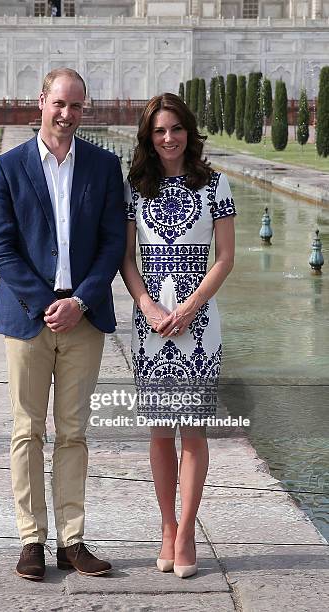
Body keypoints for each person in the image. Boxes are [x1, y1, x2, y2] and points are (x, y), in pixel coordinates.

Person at [0, 68, 126, 580]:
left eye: (77, 106)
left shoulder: (104, 166)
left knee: (73, 432)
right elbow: (1, 246)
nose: (67, 115)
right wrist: (49, 302)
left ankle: (72, 539)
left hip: (82, 319)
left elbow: (113, 243)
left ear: (85, 109)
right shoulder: (8, 168)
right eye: (59, 104)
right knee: (27, 431)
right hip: (28, 316)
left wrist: (81, 301)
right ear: (40, 101)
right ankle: (30, 540)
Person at [121, 93, 235, 578]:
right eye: (159, 131)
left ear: (189, 131)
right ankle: (166, 526)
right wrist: (148, 305)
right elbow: (127, 259)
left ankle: (186, 530)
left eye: (176, 129)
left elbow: (226, 259)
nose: (169, 138)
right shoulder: (137, 187)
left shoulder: (215, 186)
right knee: (158, 433)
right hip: (150, 326)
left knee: (192, 430)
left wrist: (189, 308)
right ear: (149, 137)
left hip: (198, 322)